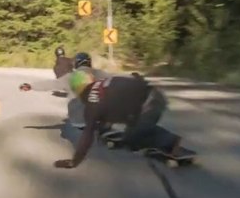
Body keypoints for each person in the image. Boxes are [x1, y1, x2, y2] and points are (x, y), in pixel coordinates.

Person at [53, 69, 183, 170]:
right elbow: (117, 97)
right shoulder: (103, 82)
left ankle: (170, 141)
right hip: (155, 95)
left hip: (150, 106)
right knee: (129, 118)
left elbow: (87, 137)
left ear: (78, 90)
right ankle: (148, 132)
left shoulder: (91, 107)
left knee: (131, 140)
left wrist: (74, 162)